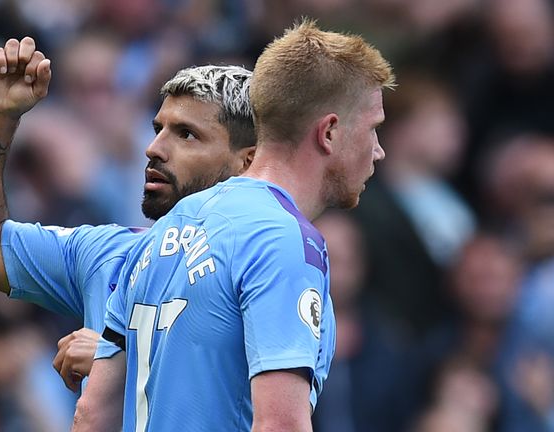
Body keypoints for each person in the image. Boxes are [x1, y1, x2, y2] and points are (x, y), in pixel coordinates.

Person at [73, 20, 394, 431]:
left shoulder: (165, 230)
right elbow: (280, 426)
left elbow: (92, 415)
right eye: (373, 129)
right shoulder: (284, 242)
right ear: (329, 132)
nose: (378, 151)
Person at [0, 37, 256, 390]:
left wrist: (120, 358)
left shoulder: (271, 263)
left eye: (187, 135)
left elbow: (268, 398)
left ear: (247, 161)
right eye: (157, 130)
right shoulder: (108, 255)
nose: (154, 148)